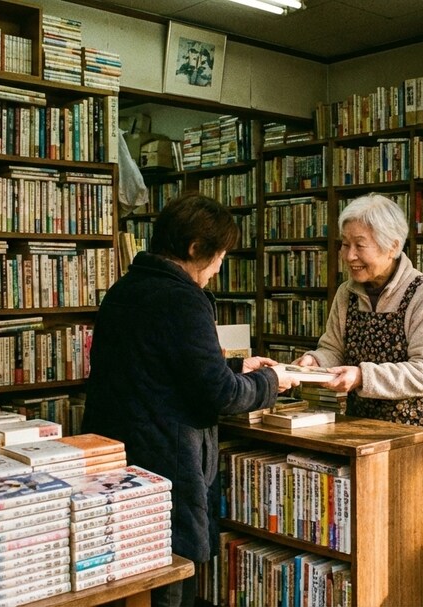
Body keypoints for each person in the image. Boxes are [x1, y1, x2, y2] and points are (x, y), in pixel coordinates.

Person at [82, 192, 297, 607]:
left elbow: (162, 370)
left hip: (118, 457)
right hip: (167, 461)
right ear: (196, 249)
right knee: (170, 581)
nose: (218, 268)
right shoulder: (183, 298)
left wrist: (238, 367)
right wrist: (274, 379)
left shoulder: (125, 290)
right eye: (219, 256)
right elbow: (220, 396)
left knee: (133, 576)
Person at [293, 193, 423, 605]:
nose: (348, 255)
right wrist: (315, 361)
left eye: (358, 244)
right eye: (344, 244)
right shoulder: (347, 294)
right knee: (369, 536)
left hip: (418, 437)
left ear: (393, 246)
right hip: (365, 434)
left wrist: (362, 375)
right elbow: (334, 347)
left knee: (418, 541)